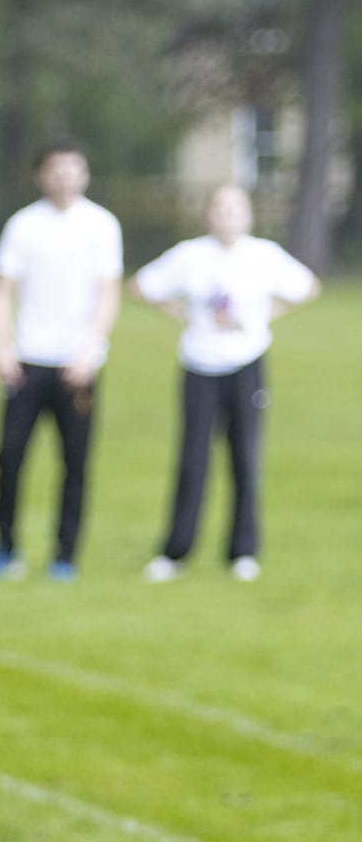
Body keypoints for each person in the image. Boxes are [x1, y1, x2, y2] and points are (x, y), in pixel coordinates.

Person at [131, 184, 319, 581]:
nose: (227, 216)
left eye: (235, 209)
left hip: (246, 365)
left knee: (245, 457)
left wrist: (267, 317)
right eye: (220, 208)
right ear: (209, 215)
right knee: (193, 458)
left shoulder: (263, 255)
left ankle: (242, 551)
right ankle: (175, 551)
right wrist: (178, 314)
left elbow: (308, 288)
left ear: (248, 216)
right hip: (199, 366)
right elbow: (141, 287)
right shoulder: (189, 256)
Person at [0, 143, 123, 580]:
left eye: (74, 169)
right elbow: (2, 291)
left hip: (76, 364)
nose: (65, 177)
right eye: (57, 169)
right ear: (42, 175)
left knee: (74, 462)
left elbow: (108, 292)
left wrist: (91, 350)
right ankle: (5, 547)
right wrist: (2, 348)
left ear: (85, 174)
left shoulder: (101, 225)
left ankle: (65, 554)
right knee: (9, 456)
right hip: (27, 359)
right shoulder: (24, 225)